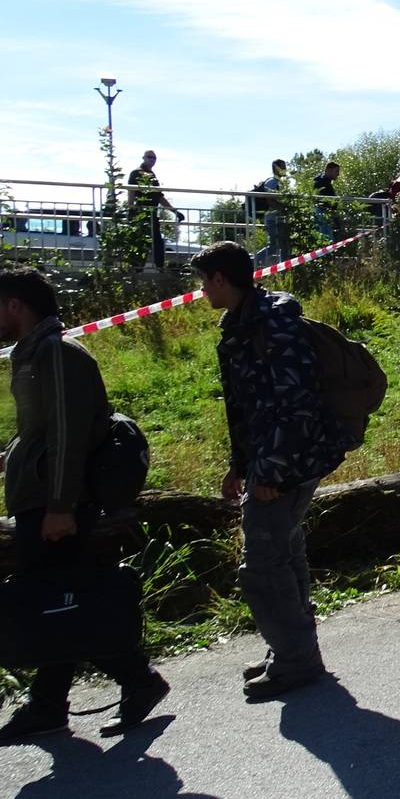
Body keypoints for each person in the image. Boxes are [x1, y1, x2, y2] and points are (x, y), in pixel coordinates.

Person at [0, 269, 170, 744]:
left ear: (16, 305)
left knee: (63, 601)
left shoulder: (58, 354)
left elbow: (69, 436)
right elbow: (41, 431)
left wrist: (60, 505)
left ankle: (135, 679)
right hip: (42, 499)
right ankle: (51, 705)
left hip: (58, 505)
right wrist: (12, 458)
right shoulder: (33, 353)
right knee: (57, 602)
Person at [193, 241, 347, 699]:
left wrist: (271, 471)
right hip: (270, 458)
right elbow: (247, 406)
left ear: (222, 279)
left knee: (262, 562)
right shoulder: (242, 323)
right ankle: (293, 650)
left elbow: (294, 403)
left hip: (288, 462)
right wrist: (239, 465)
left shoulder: (273, 323)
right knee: (284, 552)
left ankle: (295, 658)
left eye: (205, 281)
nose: (202, 291)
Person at [127, 150, 180, 269]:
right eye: (149, 157)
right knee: (142, 242)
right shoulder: (136, 173)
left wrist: (174, 211)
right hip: (141, 214)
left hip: (152, 214)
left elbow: (159, 196)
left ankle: (159, 267)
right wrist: (130, 209)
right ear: (143, 158)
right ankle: (137, 269)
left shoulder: (152, 175)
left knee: (157, 243)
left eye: (154, 158)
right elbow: (131, 191)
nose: (152, 160)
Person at [250, 160, 290, 267]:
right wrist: (285, 208)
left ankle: (285, 267)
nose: (285, 169)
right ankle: (251, 261)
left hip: (278, 218)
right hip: (273, 218)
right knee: (274, 245)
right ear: (276, 168)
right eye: (282, 167)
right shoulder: (272, 182)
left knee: (283, 244)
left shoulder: (279, 182)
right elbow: (270, 200)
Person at [312, 161, 339, 240]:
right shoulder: (322, 181)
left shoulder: (323, 181)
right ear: (329, 170)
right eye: (336, 171)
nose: (338, 174)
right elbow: (322, 200)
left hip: (324, 213)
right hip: (322, 212)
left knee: (326, 238)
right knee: (325, 238)